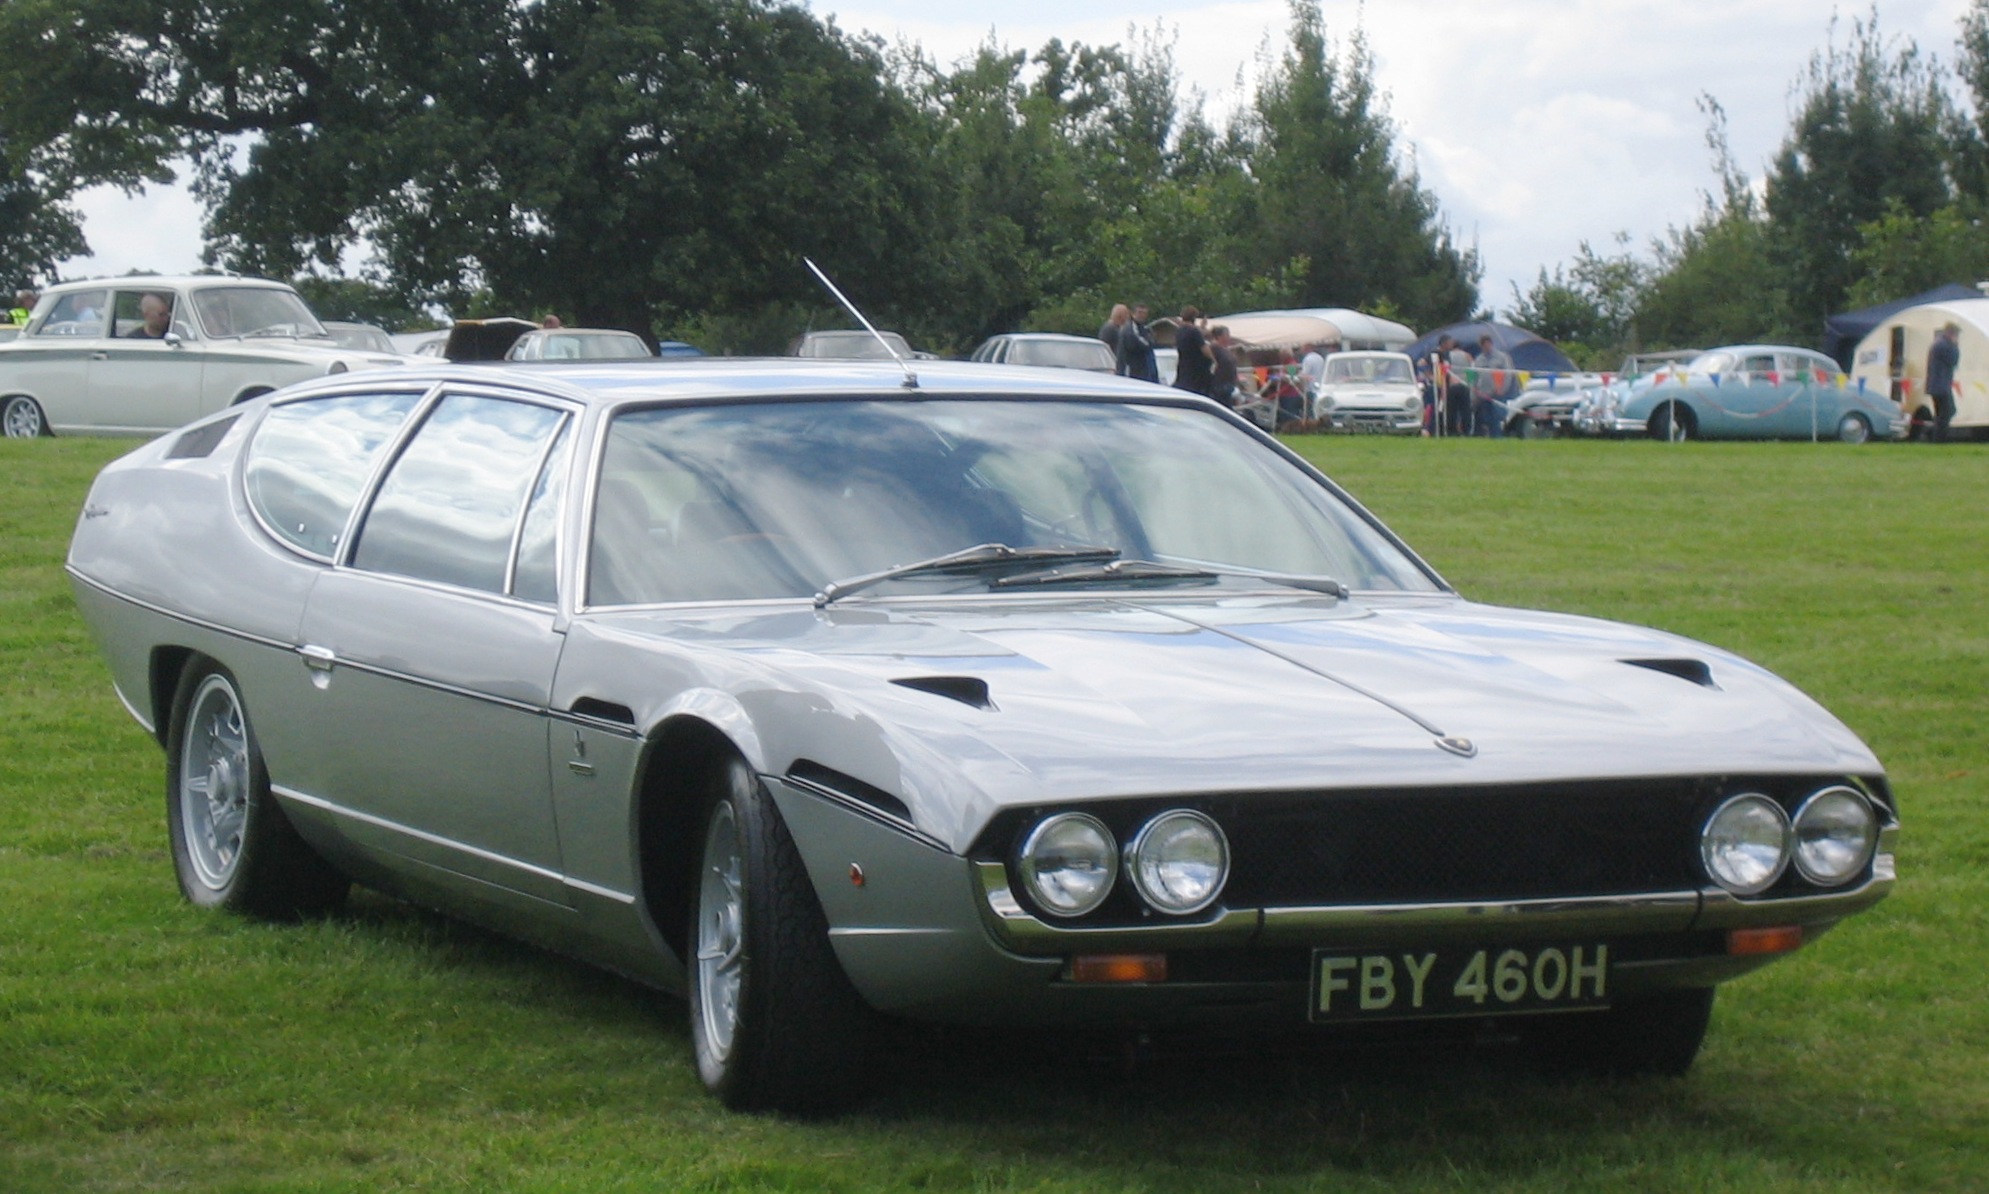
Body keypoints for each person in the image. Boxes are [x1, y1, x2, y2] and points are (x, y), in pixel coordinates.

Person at [1472, 333, 1514, 437]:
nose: (1486, 346)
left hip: (1498, 392)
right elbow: (1474, 376)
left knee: (1498, 416)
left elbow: (1508, 374)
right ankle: (1490, 436)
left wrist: (1503, 388)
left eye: (1487, 344)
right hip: (1483, 393)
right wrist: (1475, 391)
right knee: (1486, 418)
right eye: (1483, 345)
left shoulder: (1502, 357)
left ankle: (1498, 437)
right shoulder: (1478, 359)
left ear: (1491, 343)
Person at [1926, 321, 1960, 443]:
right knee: (1948, 411)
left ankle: (1936, 436)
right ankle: (1938, 438)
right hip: (1940, 385)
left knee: (1942, 413)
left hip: (1937, 385)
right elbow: (1953, 361)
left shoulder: (1938, 343)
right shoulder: (1944, 345)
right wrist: (1955, 346)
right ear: (1951, 333)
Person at [1173, 306, 1213, 398]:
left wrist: (1202, 327)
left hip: (1184, 369)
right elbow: (1204, 348)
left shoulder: (1180, 331)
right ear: (1194, 317)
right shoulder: (1194, 331)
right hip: (1196, 371)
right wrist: (1213, 359)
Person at [1437, 334, 1472, 436]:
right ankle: (1467, 430)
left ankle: (1452, 430)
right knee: (1465, 410)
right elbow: (1472, 370)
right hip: (1464, 385)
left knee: (1452, 410)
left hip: (1451, 385)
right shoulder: (1467, 355)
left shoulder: (1448, 355)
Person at [1118, 303, 1158, 382]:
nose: (1142, 315)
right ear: (1133, 313)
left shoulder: (1144, 328)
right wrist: (1149, 343)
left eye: (1144, 313)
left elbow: (1152, 341)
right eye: (1140, 313)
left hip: (1144, 370)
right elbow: (1135, 342)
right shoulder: (1130, 328)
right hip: (1132, 370)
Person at [1208, 325, 1241, 408]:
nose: (1229, 337)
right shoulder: (1214, 348)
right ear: (1220, 336)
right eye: (1227, 335)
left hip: (1229, 383)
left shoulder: (1224, 349)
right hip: (1221, 384)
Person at [1098, 304, 1129, 371]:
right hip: (1111, 365)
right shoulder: (1110, 329)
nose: (1128, 317)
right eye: (1126, 315)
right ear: (1120, 316)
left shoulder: (1118, 328)